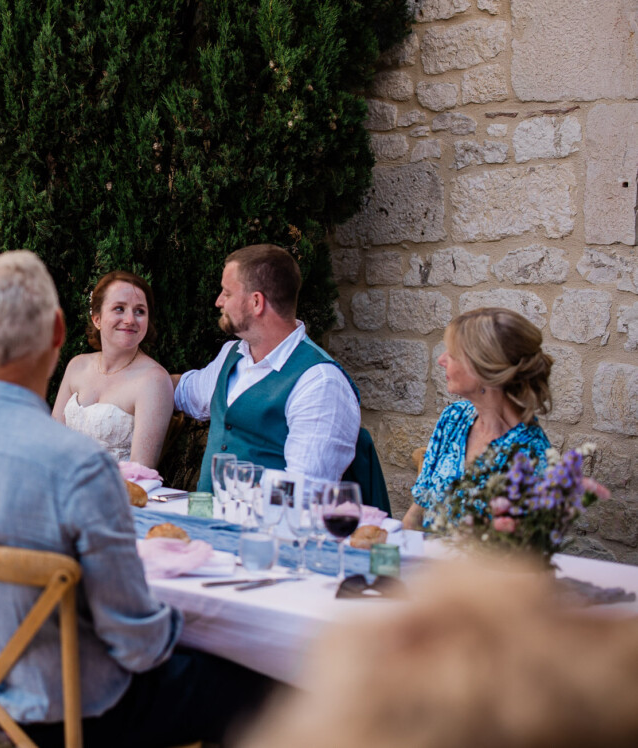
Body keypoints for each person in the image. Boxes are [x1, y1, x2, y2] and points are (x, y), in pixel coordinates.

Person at [0, 251, 273, 748]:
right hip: (68, 711)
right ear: (58, 332)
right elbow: (135, 642)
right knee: (259, 683)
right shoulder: (82, 468)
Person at [238, 557, 638, 748]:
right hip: (443, 574)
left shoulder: (529, 447)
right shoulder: (452, 424)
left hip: (482, 584)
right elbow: (418, 508)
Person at [174, 244, 360, 487]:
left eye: (227, 293)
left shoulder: (321, 382)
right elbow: (181, 391)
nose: (219, 301)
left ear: (256, 302)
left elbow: (305, 491)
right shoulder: (232, 354)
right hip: (206, 510)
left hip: (265, 514)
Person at [403, 307, 553, 531]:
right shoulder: (454, 418)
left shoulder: (529, 455)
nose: (441, 360)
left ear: (483, 368)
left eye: (453, 355)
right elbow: (417, 511)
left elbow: (518, 549)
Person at [51, 271, 174, 469]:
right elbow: (52, 441)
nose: (130, 319)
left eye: (140, 311)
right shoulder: (77, 366)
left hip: (119, 486)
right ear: (97, 319)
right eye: (119, 309)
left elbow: (141, 469)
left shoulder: (153, 380)